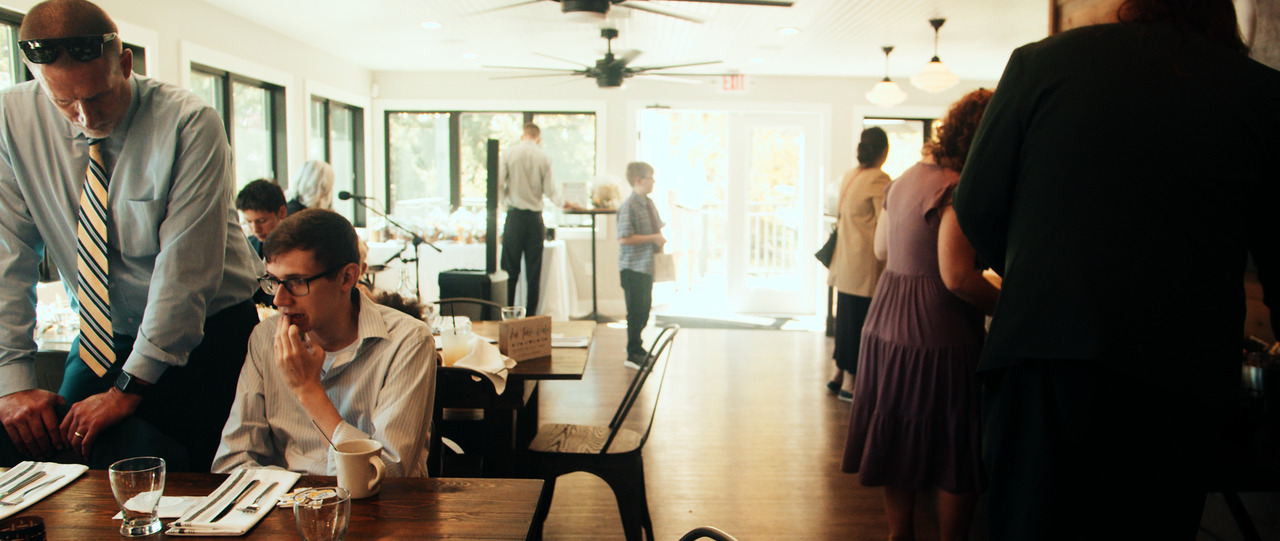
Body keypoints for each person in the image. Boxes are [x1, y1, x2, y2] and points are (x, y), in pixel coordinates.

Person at [951, 1, 1280, 539]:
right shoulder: (1262, 91)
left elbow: (977, 204)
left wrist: (1035, 273)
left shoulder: (1042, 63)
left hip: (1045, 352)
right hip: (1183, 370)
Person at [0, 0, 260, 472]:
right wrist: (12, 380)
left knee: (199, 482)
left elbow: (184, 273)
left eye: (97, 97)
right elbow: (8, 257)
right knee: (65, 471)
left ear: (124, 63)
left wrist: (128, 388)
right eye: (64, 103)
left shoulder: (188, 122)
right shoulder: (10, 120)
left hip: (209, 335)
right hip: (102, 339)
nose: (84, 116)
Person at [842, 89, 998, 541]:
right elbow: (957, 277)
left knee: (898, 432)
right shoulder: (956, 187)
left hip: (887, 322)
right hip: (937, 330)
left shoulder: (906, 178)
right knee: (955, 442)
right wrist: (1007, 306)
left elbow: (882, 251)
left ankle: (900, 534)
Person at [213, 209, 437, 477]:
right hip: (289, 498)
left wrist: (308, 390)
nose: (279, 300)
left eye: (296, 282)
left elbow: (386, 474)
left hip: (377, 503)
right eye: (273, 281)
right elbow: (233, 462)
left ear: (347, 277)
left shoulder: (408, 340)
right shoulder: (265, 338)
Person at [826, 127, 891, 402]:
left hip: (845, 262)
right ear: (884, 151)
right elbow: (885, 223)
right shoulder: (879, 179)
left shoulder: (850, 176)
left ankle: (837, 373)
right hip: (865, 264)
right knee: (861, 323)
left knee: (845, 320)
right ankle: (851, 384)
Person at [499, 122, 561, 315]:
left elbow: (498, 184)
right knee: (534, 272)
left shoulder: (508, 154)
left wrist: (504, 203)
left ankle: (507, 313)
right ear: (538, 139)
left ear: (522, 136)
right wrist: (565, 203)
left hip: (514, 217)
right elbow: (551, 191)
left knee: (509, 270)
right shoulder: (544, 158)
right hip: (535, 219)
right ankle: (531, 316)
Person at [617, 162, 666, 367]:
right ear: (638, 180)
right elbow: (624, 238)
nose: (653, 181)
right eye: (650, 178)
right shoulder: (629, 206)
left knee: (645, 309)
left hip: (647, 266)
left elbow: (658, 227)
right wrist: (653, 238)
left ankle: (638, 347)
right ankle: (633, 352)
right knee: (635, 311)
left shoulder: (649, 203)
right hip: (633, 267)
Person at [235, 178, 288, 259]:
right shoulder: (248, 247)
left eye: (262, 221)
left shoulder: (299, 248)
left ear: (281, 212)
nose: (256, 230)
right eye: (249, 222)